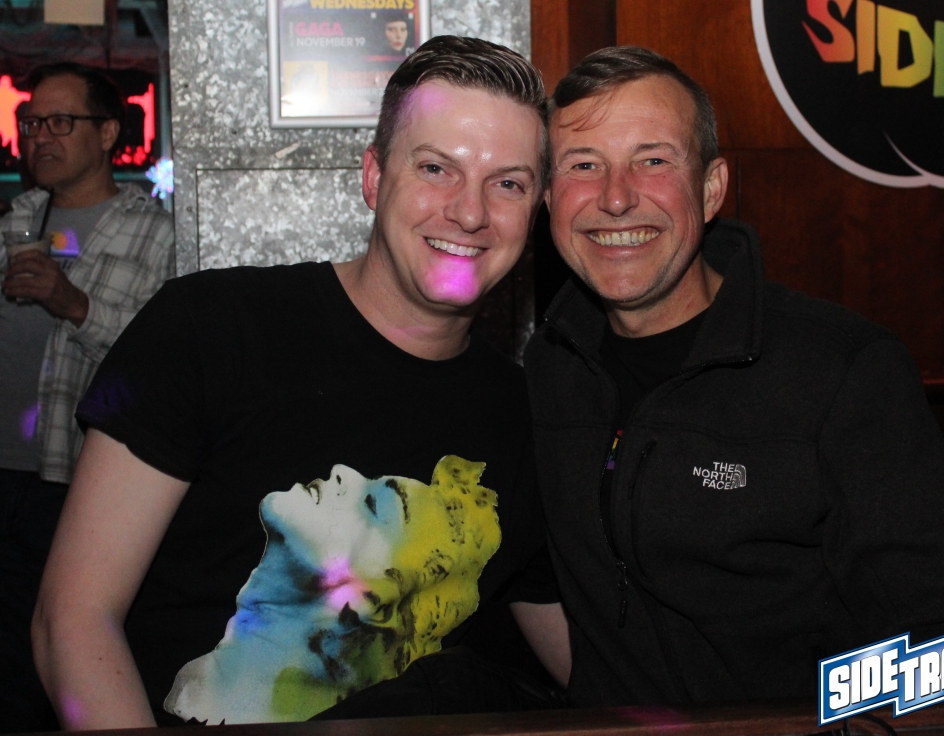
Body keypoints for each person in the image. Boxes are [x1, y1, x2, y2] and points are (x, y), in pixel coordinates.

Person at [33, 36, 559, 729]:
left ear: (537, 207)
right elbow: (72, 618)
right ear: (373, 177)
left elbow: (596, 659)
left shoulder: (523, 415)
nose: (469, 211)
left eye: (509, 183)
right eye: (436, 168)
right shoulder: (208, 328)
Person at [524, 46, 944, 707]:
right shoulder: (548, 368)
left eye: (653, 160)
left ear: (711, 188)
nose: (617, 197)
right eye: (583, 165)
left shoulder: (843, 371)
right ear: (548, 197)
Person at [0, 63, 174, 733]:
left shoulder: (155, 231)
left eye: (59, 122)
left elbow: (159, 368)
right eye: (30, 122)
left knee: (60, 654)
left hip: (74, 481)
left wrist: (72, 303)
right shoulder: (17, 218)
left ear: (106, 133)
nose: (39, 136)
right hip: (5, 471)